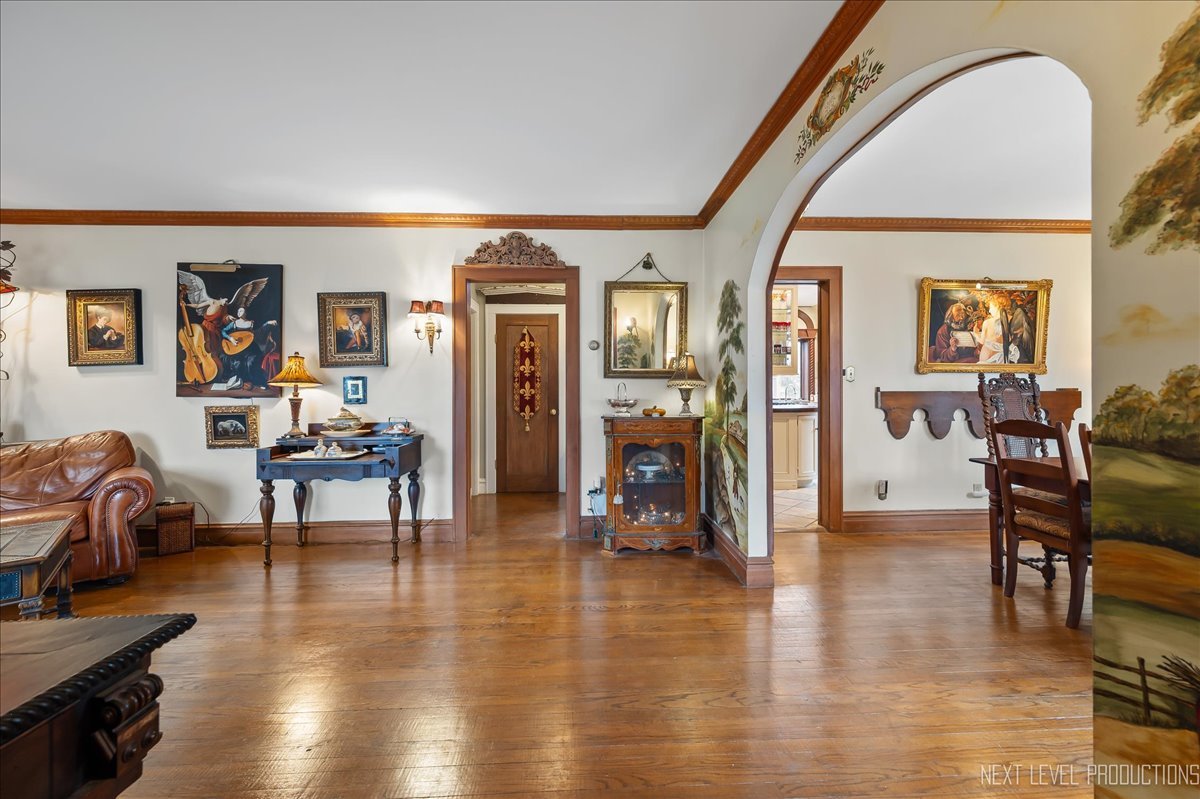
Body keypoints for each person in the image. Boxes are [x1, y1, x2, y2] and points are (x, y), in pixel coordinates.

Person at [977, 296, 1012, 363]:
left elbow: (982, 342)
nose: (989, 311)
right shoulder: (1013, 319)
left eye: (991, 307)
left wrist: (975, 333)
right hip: (1007, 359)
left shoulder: (988, 322)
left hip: (988, 358)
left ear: (998, 307)